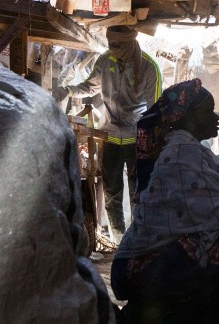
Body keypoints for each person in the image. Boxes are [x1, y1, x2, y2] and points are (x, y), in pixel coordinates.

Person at [112, 79, 219, 324]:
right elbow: (218, 211)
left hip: (150, 248)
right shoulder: (184, 152)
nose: (216, 117)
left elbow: (209, 209)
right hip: (154, 255)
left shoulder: (183, 147)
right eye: (207, 110)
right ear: (188, 115)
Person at [60, 25, 162, 240]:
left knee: (139, 193)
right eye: (110, 45)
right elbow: (90, 87)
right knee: (111, 193)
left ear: (129, 44)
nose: (112, 49)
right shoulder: (105, 61)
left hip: (138, 138)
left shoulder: (149, 67)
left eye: (116, 46)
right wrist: (68, 90)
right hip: (110, 137)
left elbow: (156, 110)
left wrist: (155, 143)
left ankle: (138, 238)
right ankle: (118, 240)